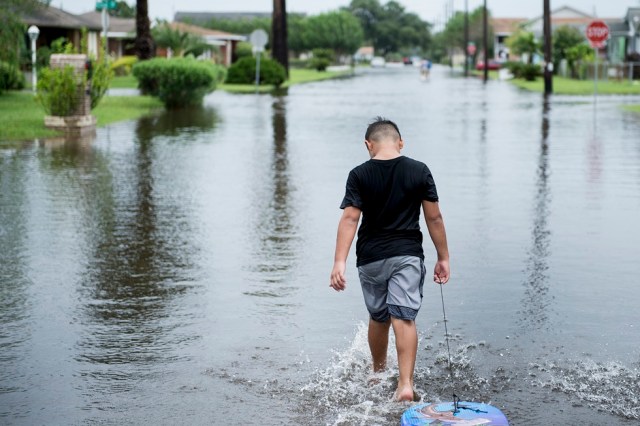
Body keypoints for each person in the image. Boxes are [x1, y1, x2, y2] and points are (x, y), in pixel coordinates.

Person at [329, 117, 450, 402]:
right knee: (403, 317)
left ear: (368, 145)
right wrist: (443, 257)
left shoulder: (359, 174)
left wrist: (338, 262)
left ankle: (377, 372)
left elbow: (350, 218)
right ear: (401, 142)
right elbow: (434, 216)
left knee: (379, 317)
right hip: (407, 255)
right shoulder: (419, 171)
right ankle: (405, 384)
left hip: (370, 259)